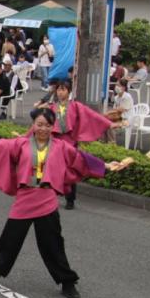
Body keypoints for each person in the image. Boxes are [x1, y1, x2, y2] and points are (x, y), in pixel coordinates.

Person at [0, 108, 129, 298]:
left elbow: (81, 159)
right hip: (25, 197)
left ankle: (67, 282)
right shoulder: (21, 144)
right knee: (9, 240)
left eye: (47, 125)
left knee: (53, 243)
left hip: (46, 197)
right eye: (39, 124)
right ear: (33, 125)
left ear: (52, 127)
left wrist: (105, 166)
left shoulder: (61, 146)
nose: (43, 129)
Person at [41, 78, 121, 209]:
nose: (60, 92)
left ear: (69, 91)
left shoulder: (75, 106)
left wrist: (109, 124)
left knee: (70, 170)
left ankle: (70, 199)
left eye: (63, 89)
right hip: (56, 143)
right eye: (58, 89)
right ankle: (50, 196)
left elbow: (92, 115)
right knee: (53, 169)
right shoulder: (52, 107)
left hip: (70, 142)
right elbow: (40, 125)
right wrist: (25, 136)